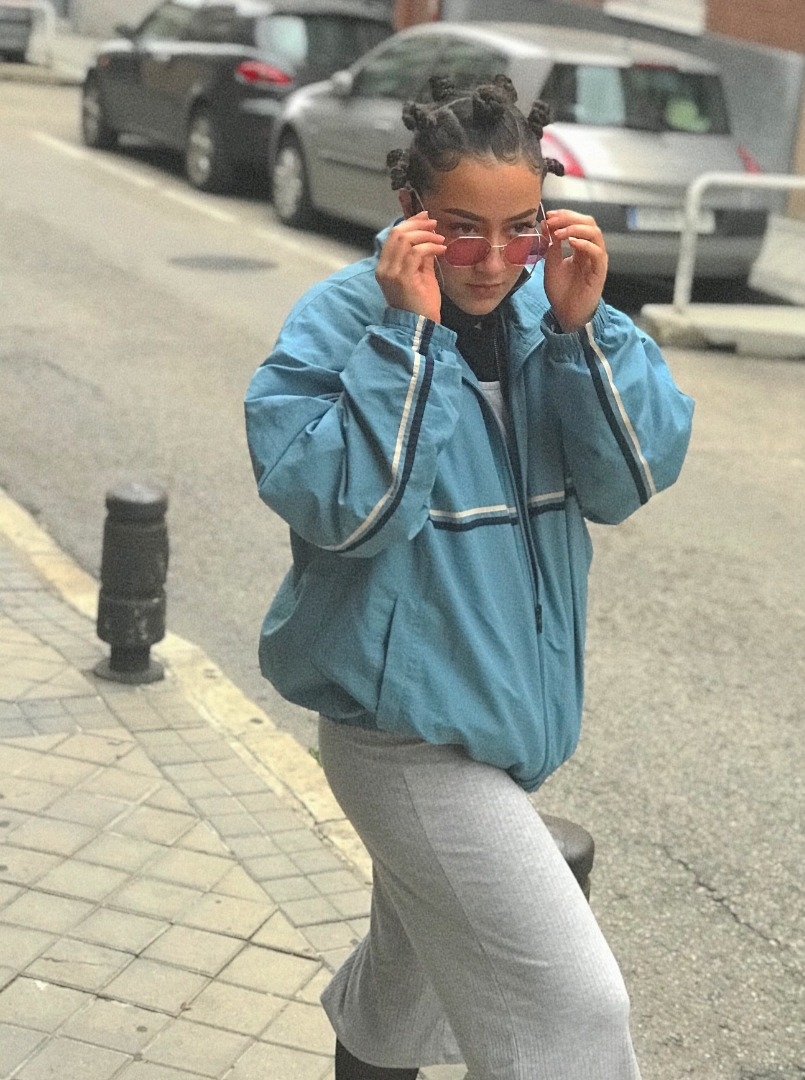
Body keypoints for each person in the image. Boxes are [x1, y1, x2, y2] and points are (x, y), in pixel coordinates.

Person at [245, 74, 694, 1080]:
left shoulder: (553, 311)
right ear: (410, 209)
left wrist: (583, 332)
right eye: (460, 230)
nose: (493, 262)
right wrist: (411, 338)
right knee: (572, 1010)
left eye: (520, 230)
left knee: (403, 990)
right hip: (399, 733)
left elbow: (629, 479)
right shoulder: (339, 324)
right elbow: (346, 511)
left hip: (494, 720)